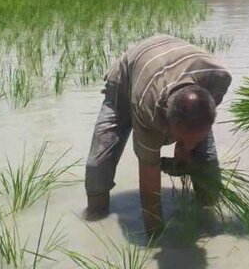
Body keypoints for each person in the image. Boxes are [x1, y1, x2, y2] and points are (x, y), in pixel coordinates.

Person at [85, 34, 232, 236]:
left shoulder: (218, 78)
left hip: (171, 66)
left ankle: (207, 215)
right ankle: (95, 216)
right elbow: (149, 180)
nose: (188, 145)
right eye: (180, 136)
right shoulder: (148, 109)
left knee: (207, 165)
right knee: (97, 166)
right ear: (168, 122)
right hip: (128, 82)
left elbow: (203, 115)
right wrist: (156, 237)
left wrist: (184, 146)